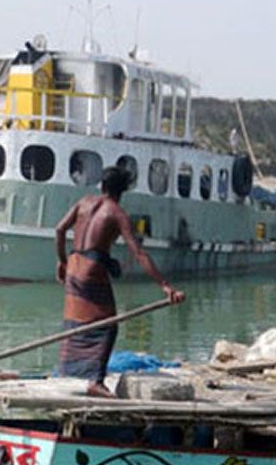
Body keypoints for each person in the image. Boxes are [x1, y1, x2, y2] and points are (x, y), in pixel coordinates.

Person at [55, 166, 185, 397]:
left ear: (102, 185)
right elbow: (139, 253)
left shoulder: (84, 202)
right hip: (91, 270)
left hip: (74, 264)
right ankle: (95, 381)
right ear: (123, 189)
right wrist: (165, 285)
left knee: (78, 321)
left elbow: (59, 229)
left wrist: (63, 262)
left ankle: (70, 372)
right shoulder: (116, 213)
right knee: (108, 325)